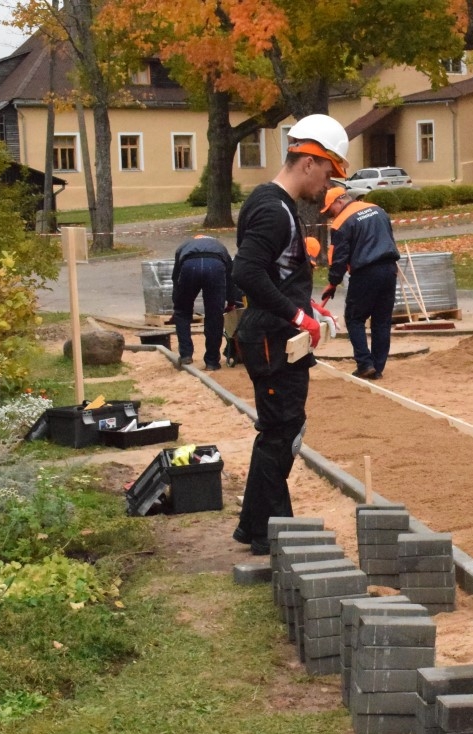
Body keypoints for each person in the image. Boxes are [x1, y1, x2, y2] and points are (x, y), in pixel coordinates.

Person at [229, 113, 349, 556]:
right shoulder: (273, 209)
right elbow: (246, 272)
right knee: (282, 432)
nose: (329, 184)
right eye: (329, 172)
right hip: (272, 340)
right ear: (308, 162)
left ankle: (262, 527)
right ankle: (269, 532)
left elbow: (277, 276)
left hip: (279, 336)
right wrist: (298, 319)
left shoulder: (276, 205)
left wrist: (310, 307)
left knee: (283, 429)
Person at [319, 186, 400, 379]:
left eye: (331, 209)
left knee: (354, 318)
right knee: (382, 321)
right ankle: (377, 367)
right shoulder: (378, 210)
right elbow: (389, 238)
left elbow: (339, 257)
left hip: (365, 272)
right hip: (389, 269)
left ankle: (364, 364)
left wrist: (333, 283)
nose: (331, 214)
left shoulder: (341, 223)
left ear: (339, 201)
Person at [171, 234, 233, 370]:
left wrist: (177, 303)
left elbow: (176, 277)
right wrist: (232, 301)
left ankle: (186, 355)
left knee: (182, 313)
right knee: (214, 316)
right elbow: (230, 277)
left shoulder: (184, 245)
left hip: (189, 266)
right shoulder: (220, 246)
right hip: (215, 266)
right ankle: (211, 361)